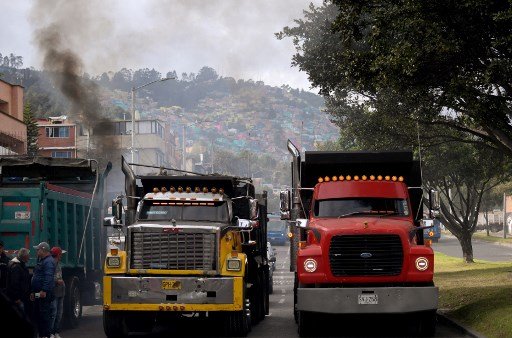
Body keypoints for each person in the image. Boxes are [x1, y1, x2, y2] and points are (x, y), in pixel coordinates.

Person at [31, 242, 56, 338]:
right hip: (39, 293)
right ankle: (42, 335)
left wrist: (44, 290)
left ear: (43, 250)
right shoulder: (42, 260)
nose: (37, 251)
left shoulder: (48, 261)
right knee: (38, 313)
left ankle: (46, 335)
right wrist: (34, 293)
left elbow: (48, 277)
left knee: (44, 314)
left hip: (43, 293)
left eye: (38, 249)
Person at [6, 248, 31, 315]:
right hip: (18, 299)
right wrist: (17, 298)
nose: (29, 258)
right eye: (28, 256)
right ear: (24, 257)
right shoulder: (16, 267)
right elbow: (14, 284)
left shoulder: (21, 265)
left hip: (22, 297)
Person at [50, 246, 66, 338]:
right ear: (58, 255)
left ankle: (56, 331)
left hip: (61, 292)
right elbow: (48, 276)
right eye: (60, 254)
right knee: (53, 313)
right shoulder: (51, 264)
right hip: (54, 292)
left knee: (59, 313)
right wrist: (56, 281)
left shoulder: (58, 264)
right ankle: (51, 332)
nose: (61, 256)